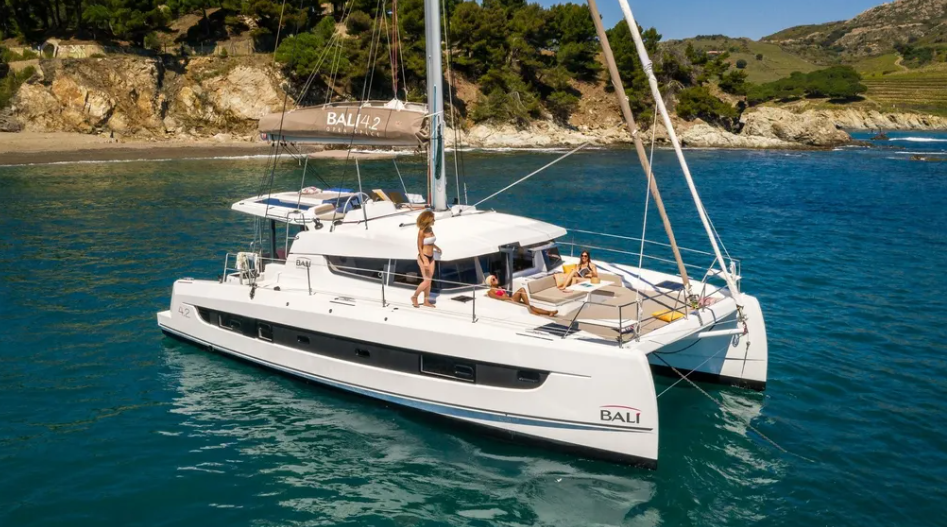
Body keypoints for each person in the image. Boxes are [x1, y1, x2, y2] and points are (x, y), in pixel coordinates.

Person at [484, 275, 558, 317]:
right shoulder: (490, 292)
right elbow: (498, 298)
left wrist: (508, 296)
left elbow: (504, 295)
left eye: (495, 277)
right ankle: (530, 309)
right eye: (493, 279)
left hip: (510, 300)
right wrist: (508, 298)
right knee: (522, 290)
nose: (496, 279)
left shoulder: (499, 287)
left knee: (532, 306)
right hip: (508, 302)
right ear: (490, 283)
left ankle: (549, 312)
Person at [411, 210, 440, 308]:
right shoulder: (421, 231)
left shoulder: (430, 229)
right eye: (433, 219)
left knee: (429, 281)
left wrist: (437, 248)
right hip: (424, 257)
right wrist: (425, 260)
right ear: (428, 220)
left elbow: (430, 241)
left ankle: (426, 301)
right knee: (426, 281)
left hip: (431, 257)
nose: (434, 220)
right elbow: (419, 247)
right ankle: (414, 297)